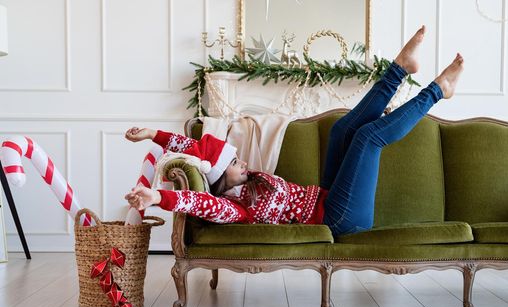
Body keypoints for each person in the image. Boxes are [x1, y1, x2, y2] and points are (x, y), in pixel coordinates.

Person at [124, 25, 464, 237]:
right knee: (367, 139)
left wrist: (153, 133)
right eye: (234, 162)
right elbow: (197, 202)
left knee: (341, 131)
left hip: (328, 198)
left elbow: (194, 148)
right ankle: (437, 90)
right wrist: (156, 197)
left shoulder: (245, 181)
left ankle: (400, 69)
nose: (242, 161)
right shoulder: (233, 209)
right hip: (340, 221)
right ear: (218, 178)